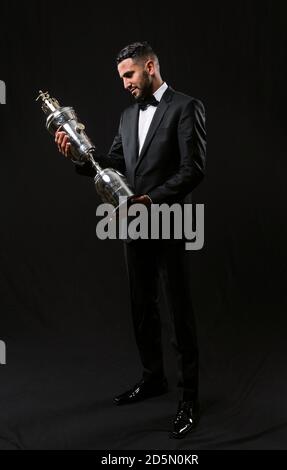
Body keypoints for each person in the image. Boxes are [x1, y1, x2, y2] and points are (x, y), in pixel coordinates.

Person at [55, 41, 206, 439]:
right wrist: (77, 157)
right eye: (121, 77)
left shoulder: (187, 107)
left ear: (150, 66)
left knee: (179, 314)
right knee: (142, 307)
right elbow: (113, 164)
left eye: (129, 75)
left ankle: (189, 398)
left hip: (172, 221)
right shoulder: (126, 116)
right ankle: (153, 378)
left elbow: (194, 170)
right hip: (133, 225)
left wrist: (149, 200)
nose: (124, 84)